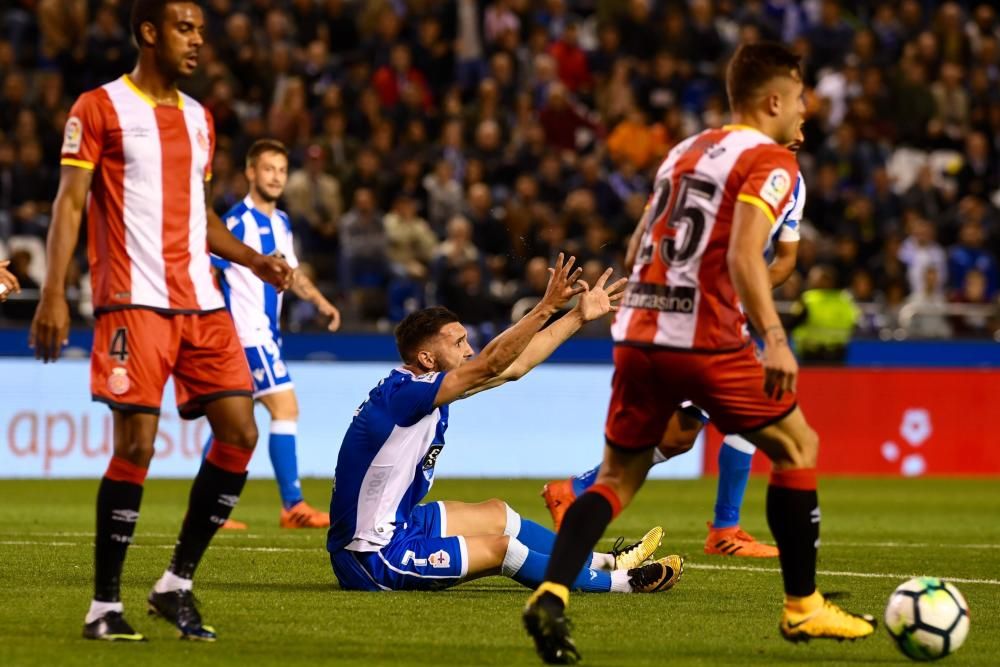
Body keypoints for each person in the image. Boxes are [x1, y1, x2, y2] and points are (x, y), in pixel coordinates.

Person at [523, 43, 876, 665]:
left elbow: (638, 244)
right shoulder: (773, 162)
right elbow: (745, 257)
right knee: (797, 447)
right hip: (705, 336)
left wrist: (640, 303)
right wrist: (771, 338)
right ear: (773, 100)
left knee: (615, 479)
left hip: (638, 331)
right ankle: (803, 609)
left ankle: (551, 594)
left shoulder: (685, 151)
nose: (806, 112)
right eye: (799, 98)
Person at [29, 0, 293, 642]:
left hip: (201, 303)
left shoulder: (202, 121)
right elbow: (70, 204)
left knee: (240, 433)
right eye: (185, 28)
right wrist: (54, 293)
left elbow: (201, 219)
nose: (198, 40)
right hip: (133, 302)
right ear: (149, 33)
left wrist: (255, 260)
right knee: (136, 447)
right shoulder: (98, 108)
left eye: (201, 30)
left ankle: (175, 584)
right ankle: (102, 608)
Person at [327, 256, 683, 595]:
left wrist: (577, 316)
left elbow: (512, 367)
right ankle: (624, 582)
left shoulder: (419, 389)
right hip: (369, 555)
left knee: (497, 514)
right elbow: (491, 363)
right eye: (459, 343)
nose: (469, 350)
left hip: (398, 524)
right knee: (503, 550)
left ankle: (603, 562)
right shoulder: (406, 396)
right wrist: (545, 307)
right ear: (426, 358)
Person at [542, 131, 809, 559]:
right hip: (695, 318)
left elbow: (786, 261)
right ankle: (729, 533)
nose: (800, 133)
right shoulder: (722, 166)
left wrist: (736, 294)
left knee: (680, 434)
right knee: (763, 408)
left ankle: (572, 495)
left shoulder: (781, 179)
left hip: (688, 313)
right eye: (795, 113)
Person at [205, 138, 341, 530]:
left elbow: (290, 274)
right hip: (247, 335)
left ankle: (210, 509)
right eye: (268, 169)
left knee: (231, 423)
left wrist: (319, 301)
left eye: (282, 170)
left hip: (265, 335)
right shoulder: (236, 222)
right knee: (286, 409)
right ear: (250, 172)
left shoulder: (280, 221)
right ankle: (293, 506)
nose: (276, 177)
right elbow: (208, 267)